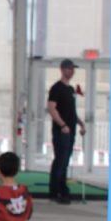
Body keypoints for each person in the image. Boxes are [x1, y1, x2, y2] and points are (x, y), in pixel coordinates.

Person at [46, 59, 85, 204]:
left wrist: (81, 124)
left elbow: (71, 112)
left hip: (71, 130)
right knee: (60, 161)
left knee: (65, 161)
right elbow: (51, 108)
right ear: (62, 69)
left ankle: (63, 189)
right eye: (69, 69)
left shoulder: (70, 89)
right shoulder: (56, 88)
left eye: (73, 69)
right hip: (61, 131)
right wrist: (62, 125)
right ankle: (55, 191)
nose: (72, 71)